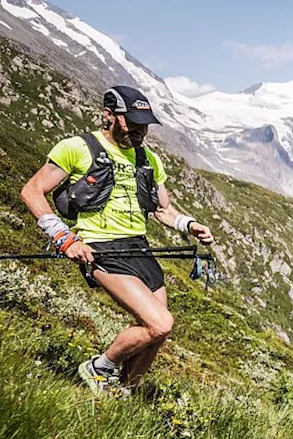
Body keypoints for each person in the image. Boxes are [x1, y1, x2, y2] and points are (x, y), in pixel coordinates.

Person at [19, 86, 214, 394]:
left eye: (144, 124)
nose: (139, 130)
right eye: (131, 122)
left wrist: (189, 225)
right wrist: (64, 238)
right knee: (160, 323)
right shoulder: (77, 147)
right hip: (101, 249)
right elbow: (32, 191)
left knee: (159, 333)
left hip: (140, 249)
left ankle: (124, 392)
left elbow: (163, 209)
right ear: (108, 116)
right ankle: (99, 367)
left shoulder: (148, 158)